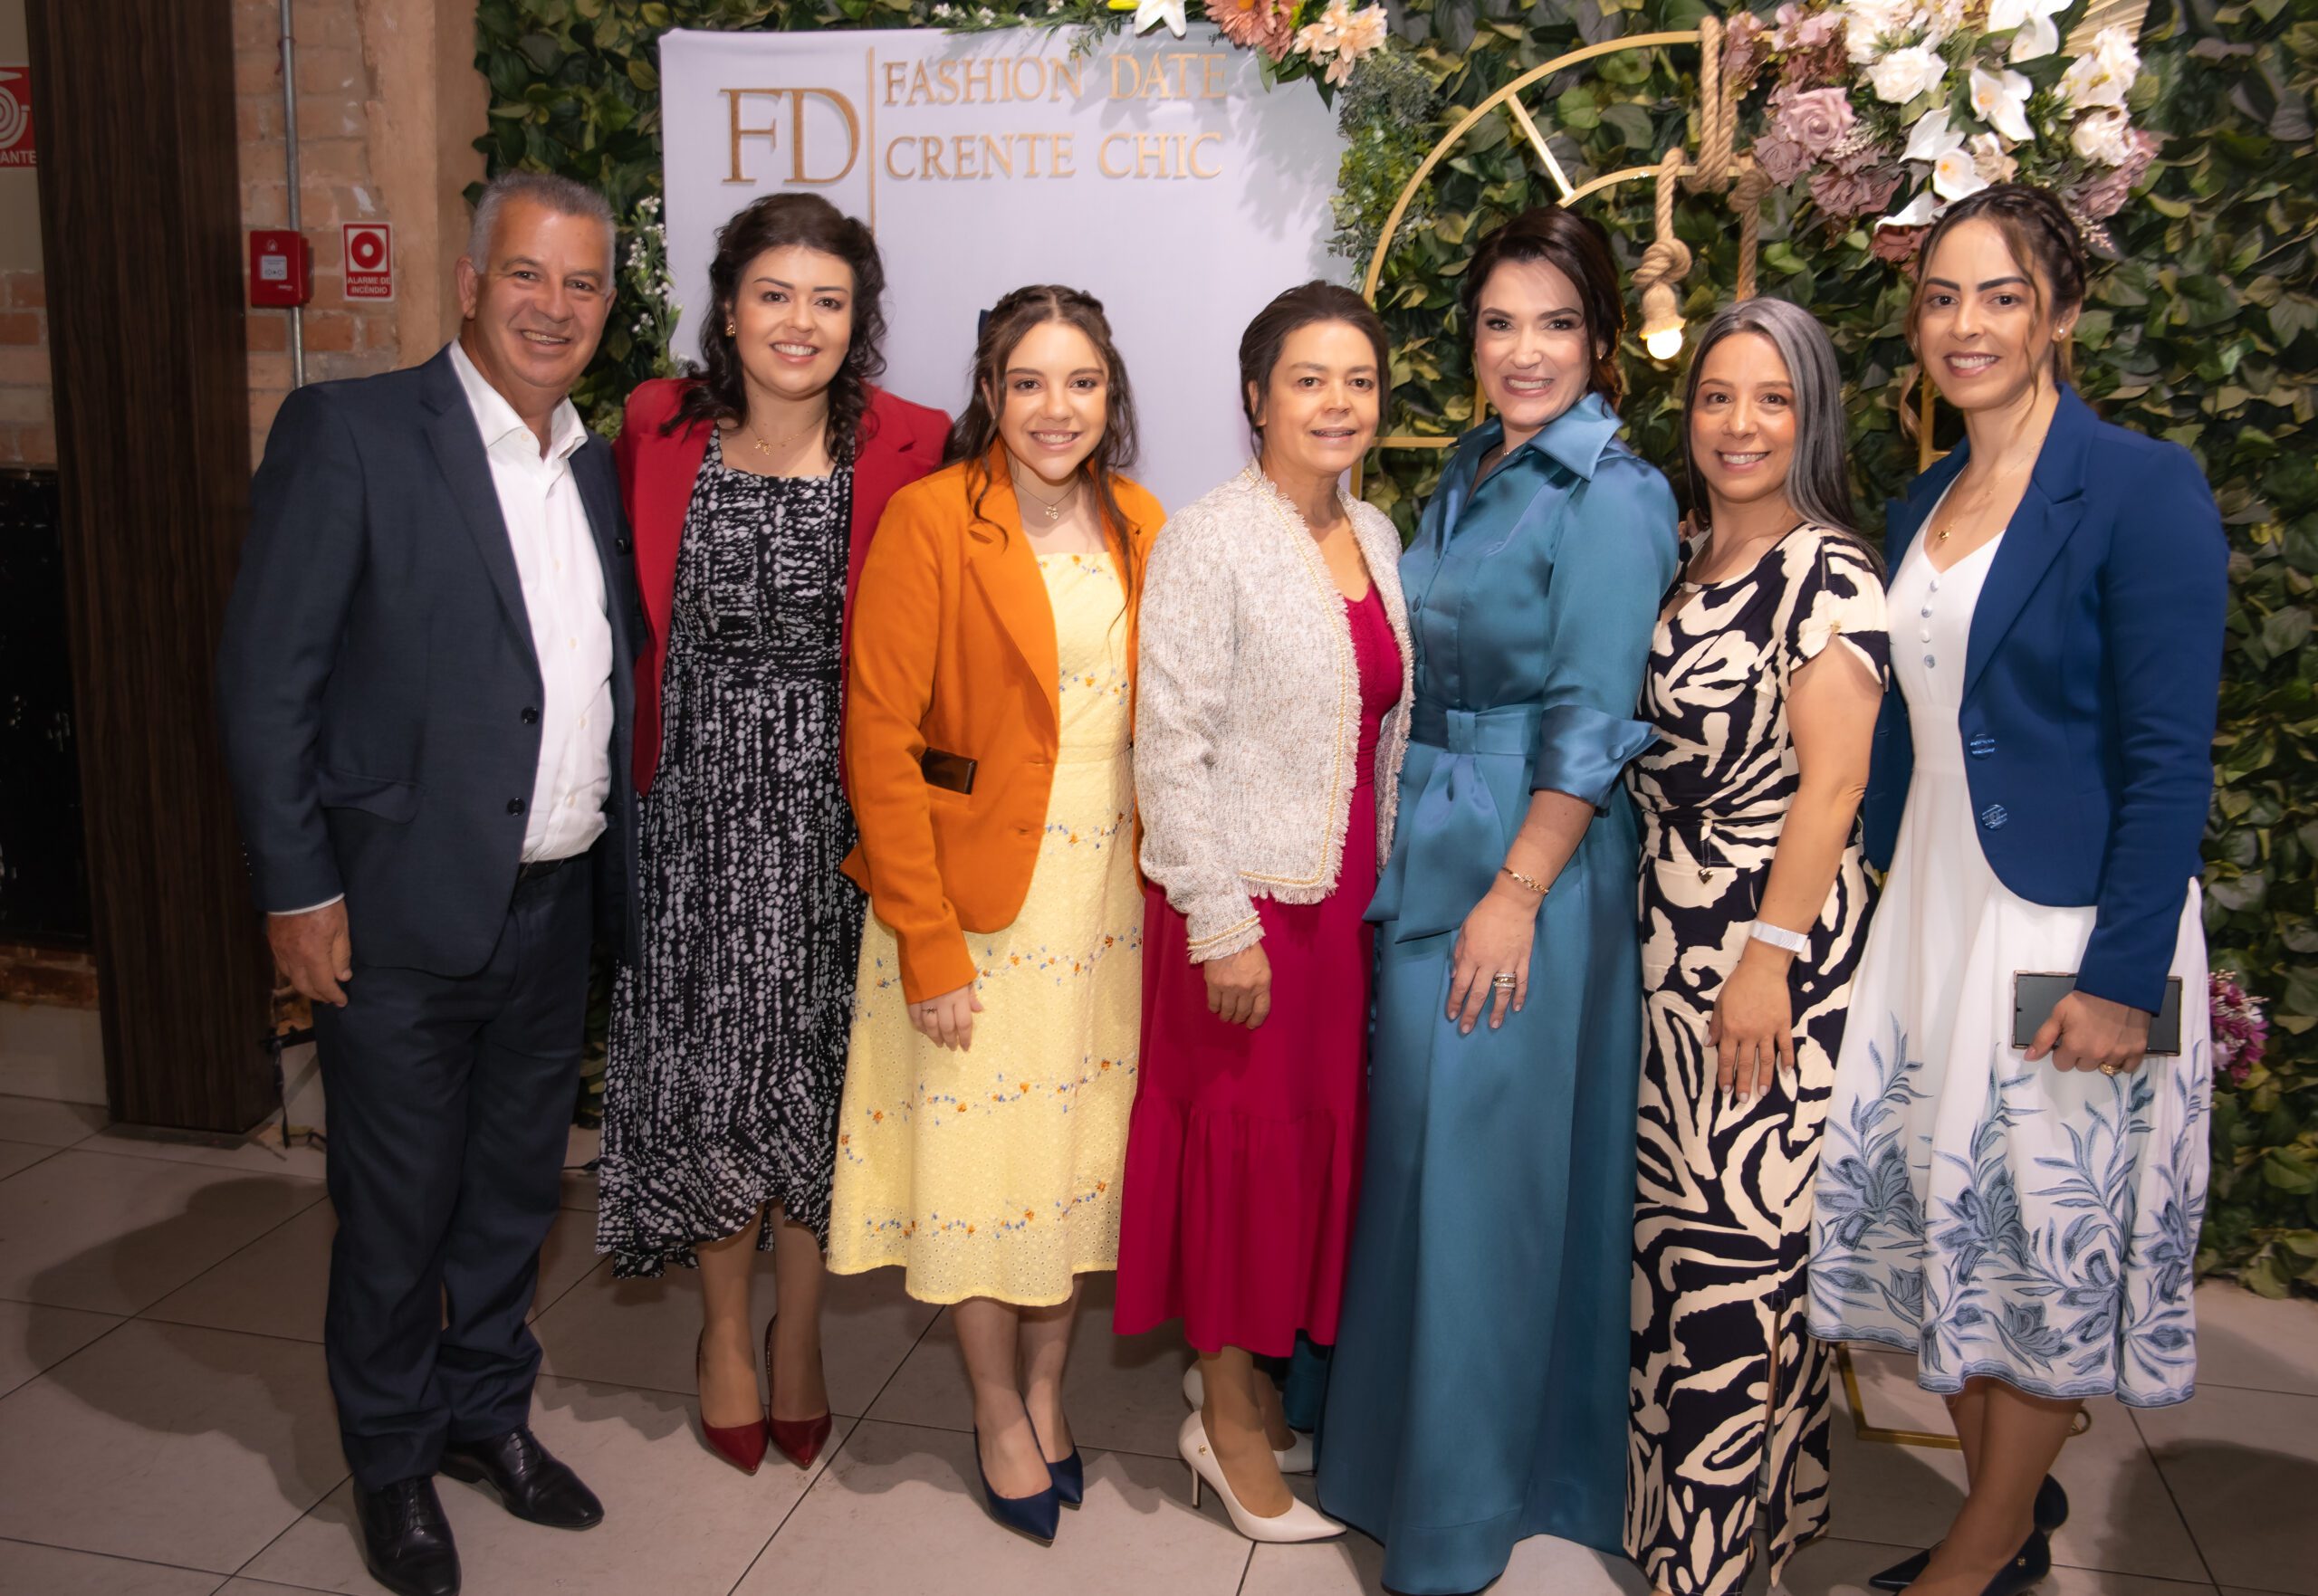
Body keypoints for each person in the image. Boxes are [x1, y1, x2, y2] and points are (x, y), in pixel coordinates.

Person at [216, 172, 635, 1596]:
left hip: (554, 904)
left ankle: (484, 1417)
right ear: (468, 282)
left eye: (581, 284)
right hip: (392, 911)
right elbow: (268, 685)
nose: (553, 307)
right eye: (527, 274)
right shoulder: (349, 434)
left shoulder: (588, 463)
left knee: (514, 1195)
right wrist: (296, 890)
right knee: (396, 1212)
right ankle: (391, 1461)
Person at [1808, 183, 2225, 1596]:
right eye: (1941, 297)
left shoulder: (2141, 488)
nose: (1965, 325)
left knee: (2043, 1237)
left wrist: (2121, 981)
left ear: (2063, 313)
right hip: (1934, 905)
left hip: (2069, 924)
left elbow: (2169, 761)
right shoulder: (1927, 497)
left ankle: (1980, 1551)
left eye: (2000, 296)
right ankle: (2004, 1516)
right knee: (1969, 1228)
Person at [1316, 206, 1680, 1594]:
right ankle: (1397, 1468)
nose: (1526, 351)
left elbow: (1593, 720)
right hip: (1432, 842)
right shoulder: (1471, 471)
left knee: (1483, 1188)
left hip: (1530, 866)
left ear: (1601, 340)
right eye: (1500, 323)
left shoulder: (1614, 496)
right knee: (1422, 1171)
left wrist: (1518, 892)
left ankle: (1470, 1510)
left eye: (1558, 324)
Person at [596, 194, 948, 1475]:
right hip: (689, 819)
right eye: (775, 294)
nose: (800, 323)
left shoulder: (916, 443)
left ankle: (798, 1334)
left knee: (817, 1084)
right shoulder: (656, 427)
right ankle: (721, 1335)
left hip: (840, 826)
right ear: (730, 307)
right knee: (710, 1081)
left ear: (860, 320)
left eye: (828, 300)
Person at [825, 286, 1162, 1543]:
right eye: (1029, 382)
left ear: (1110, 396)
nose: (1055, 409)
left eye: (1081, 382)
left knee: (1074, 1164)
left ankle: (1048, 1390)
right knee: (981, 1171)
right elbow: (880, 741)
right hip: (971, 911)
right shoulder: (932, 519)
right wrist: (926, 943)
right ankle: (992, 1405)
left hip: (1108, 910)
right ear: (989, 393)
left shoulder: (1142, 522)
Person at [1116, 282, 1412, 1543]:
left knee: (1295, 1157)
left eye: (1359, 379)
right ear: (1256, 397)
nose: (1337, 402)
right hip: (1239, 916)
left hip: (1337, 911)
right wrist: (1220, 921)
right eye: (1308, 379)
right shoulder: (1210, 537)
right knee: (1237, 1161)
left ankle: (1239, 1379)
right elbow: (1167, 748)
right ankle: (1226, 1421)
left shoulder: (1375, 534)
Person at [1624, 297, 1889, 1596]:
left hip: (1762, 958)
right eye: (1717, 397)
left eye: (1772, 399)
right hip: (1674, 944)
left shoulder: (1828, 572)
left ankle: (1712, 1565)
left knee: (1737, 1260)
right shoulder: (1692, 556)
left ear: (1811, 416)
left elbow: (1833, 789)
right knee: (1685, 1253)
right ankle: (1719, 1528)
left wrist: (1768, 961)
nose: (1740, 424)